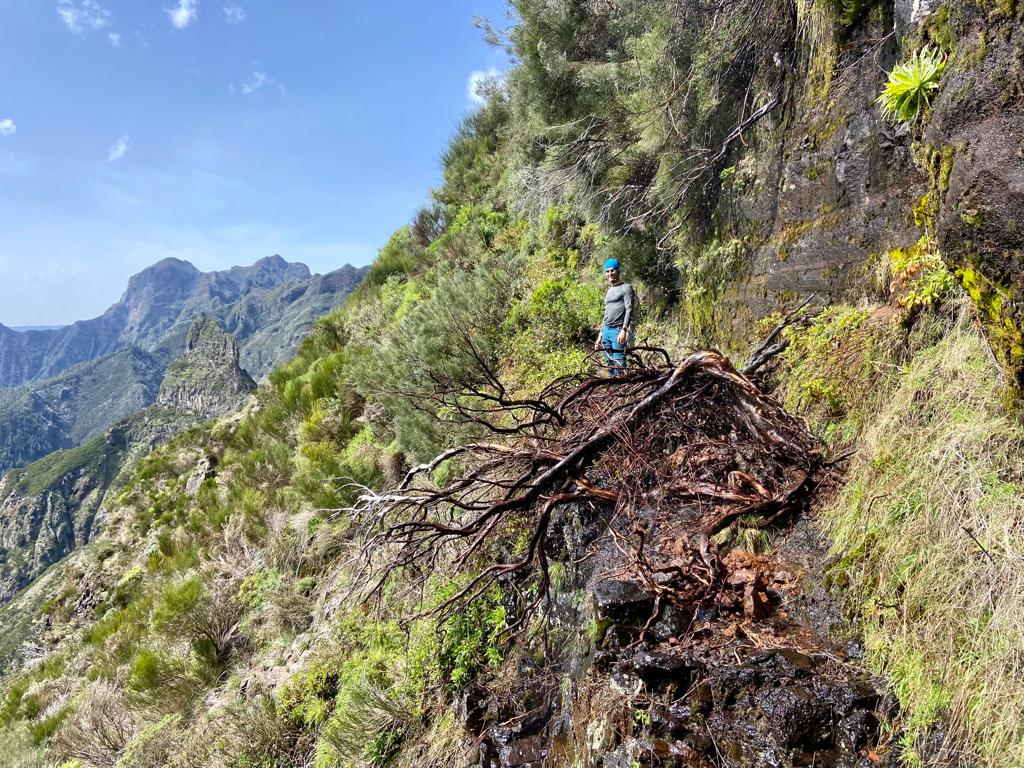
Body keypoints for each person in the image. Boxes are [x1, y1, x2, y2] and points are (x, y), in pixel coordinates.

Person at [593, 258, 635, 376]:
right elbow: (606, 314)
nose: (610, 274)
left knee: (619, 363)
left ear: (618, 271)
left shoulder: (626, 287)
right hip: (606, 330)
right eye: (607, 271)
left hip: (618, 330)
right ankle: (613, 385)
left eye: (612, 270)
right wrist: (600, 335)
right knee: (609, 363)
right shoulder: (609, 290)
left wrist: (624, 330)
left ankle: (622, 385)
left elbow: (629, 309)